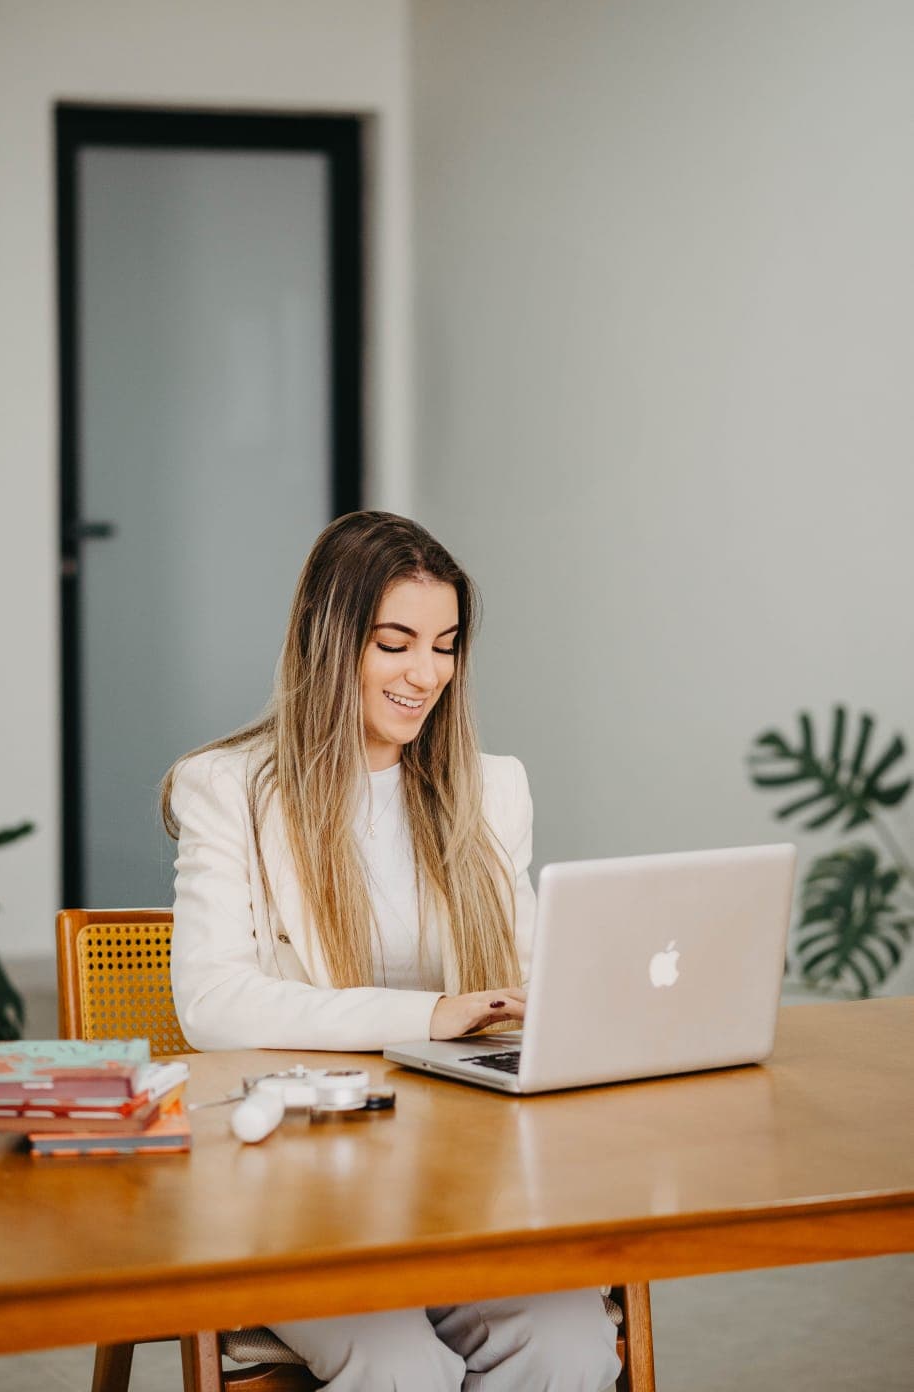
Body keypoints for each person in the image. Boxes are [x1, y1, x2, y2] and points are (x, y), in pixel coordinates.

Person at [161, 510, 621, 1392]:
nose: (426, 674)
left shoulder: (491, 789)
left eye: (445, 646)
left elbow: (529, 980)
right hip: (295, 1186)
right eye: (395, 644)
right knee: (399, 1365)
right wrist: (430, 1015)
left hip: (461, 1178)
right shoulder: (225, 788)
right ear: (329, 641)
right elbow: (211, 1003)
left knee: (570, 1346)